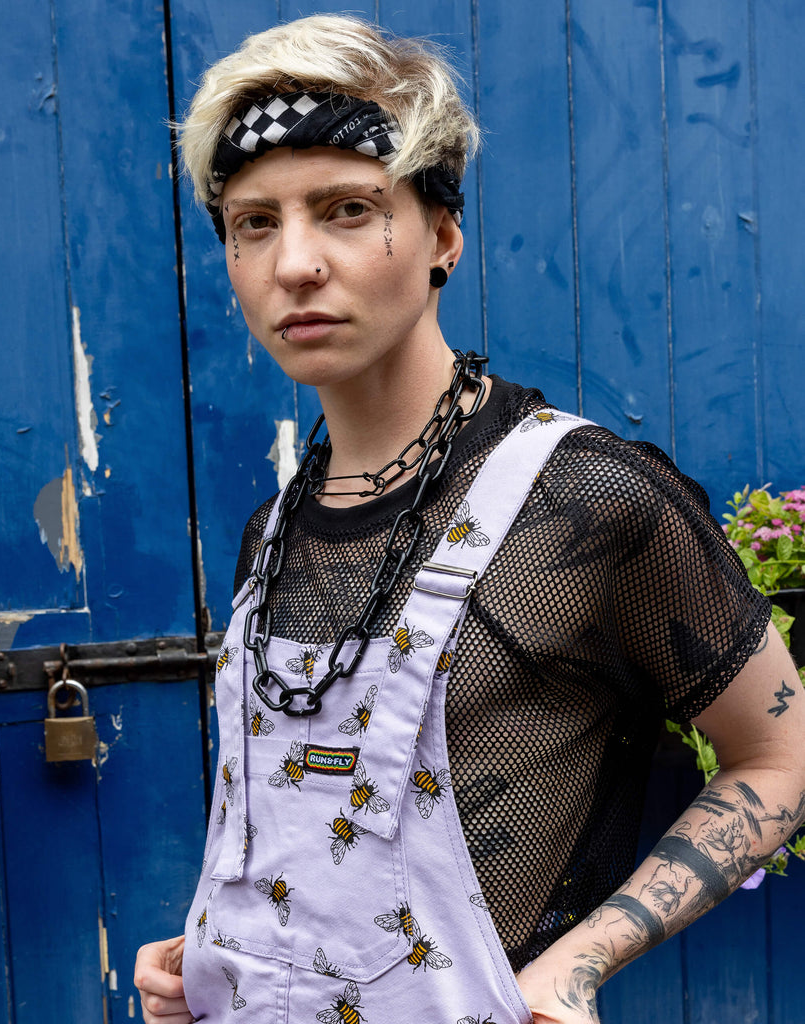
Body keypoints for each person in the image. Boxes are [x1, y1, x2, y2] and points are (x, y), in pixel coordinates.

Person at [135, 14, 805, 1024]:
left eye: (346, 209)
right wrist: (217, 955)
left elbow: (780, 757)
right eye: (254, 222)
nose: (294, 262)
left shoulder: (585, 504)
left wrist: (578, 964)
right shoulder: (275, 534)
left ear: (444, 235)